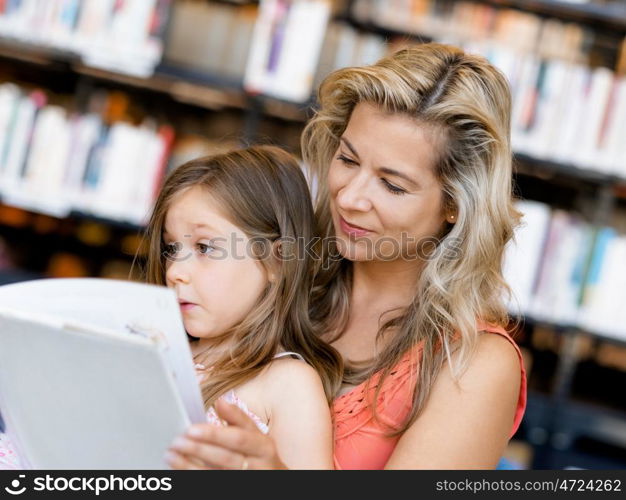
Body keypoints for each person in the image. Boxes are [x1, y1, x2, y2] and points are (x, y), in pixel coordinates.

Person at [165, 42, 527, 470]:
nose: (350, 198)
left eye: (392, 185)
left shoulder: (475, 363)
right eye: (348, 159)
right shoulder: (271, 277)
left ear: (456, 203)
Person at [0, 145, 342, 470]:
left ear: (277, 261)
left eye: (205, 247)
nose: (175, 271)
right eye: (171, 249)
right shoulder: (153, 352)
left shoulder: (289, 384)